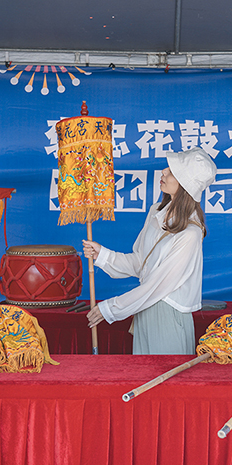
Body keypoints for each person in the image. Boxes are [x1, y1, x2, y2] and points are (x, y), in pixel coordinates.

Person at [83, 147, 217, 355]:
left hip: (168, 317)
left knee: (165, 385)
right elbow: (141, 263)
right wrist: (103, 255)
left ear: (185, 184)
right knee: (143, 380)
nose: (163, 172)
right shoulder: (156, 212)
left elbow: (157, 286)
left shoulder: (189, 234)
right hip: (144, 308)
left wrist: (110, 308)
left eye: (172, 171)